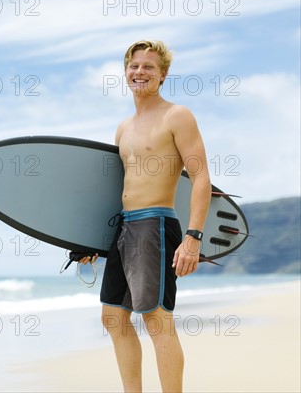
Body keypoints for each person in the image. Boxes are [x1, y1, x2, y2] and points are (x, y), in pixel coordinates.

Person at [80, 40, 212, 392]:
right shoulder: (123, 127)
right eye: (134, 66)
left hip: (155, 224)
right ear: (126, 72)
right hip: (125, 225)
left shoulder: (177, 116)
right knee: (113, 317)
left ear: (162, 75)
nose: (140, 72)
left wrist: (193, 238)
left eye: (148, 67)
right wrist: (88, 241)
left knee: (156, 320)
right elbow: (115, 190)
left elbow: (201, 177)